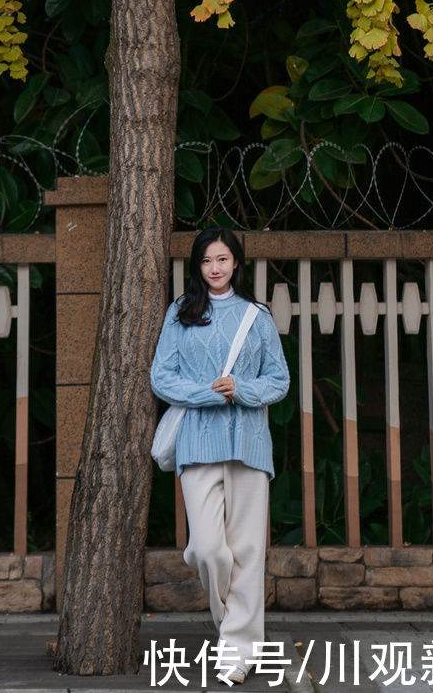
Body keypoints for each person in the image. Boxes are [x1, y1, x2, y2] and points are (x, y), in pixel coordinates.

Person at [150, 227, 290, 685]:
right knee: (207, 548)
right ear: (198, 265)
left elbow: (279, 380)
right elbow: (161, 378)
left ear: (236, 263)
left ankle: (237, 651)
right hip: (197, 442)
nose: (216, 268)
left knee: (248, 550)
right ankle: (234, 623)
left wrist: (243, 389)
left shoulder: (257, 316)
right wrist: (211, 395)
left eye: (223, 259)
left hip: (249, 443)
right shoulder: (181, 312)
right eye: (208, 260)